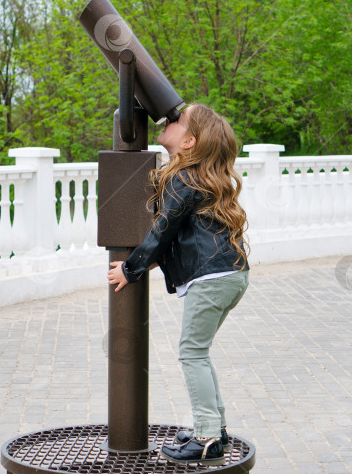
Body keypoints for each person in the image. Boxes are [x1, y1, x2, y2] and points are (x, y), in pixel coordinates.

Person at [106, 103, 250, 466]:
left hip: (213, 279)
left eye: (177, 120)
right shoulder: (194, 178)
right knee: (199, 352)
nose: (168, 121)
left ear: (188, 142)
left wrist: (131, 269)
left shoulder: (184, 180)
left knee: (191, 353)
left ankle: (206, 438)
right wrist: (149, 262)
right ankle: (214, 430)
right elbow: (177, 238)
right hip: (230, 275)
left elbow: (161, 232)